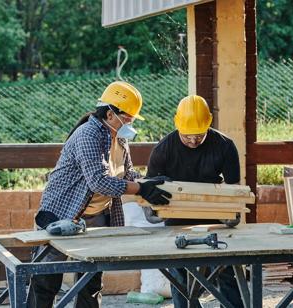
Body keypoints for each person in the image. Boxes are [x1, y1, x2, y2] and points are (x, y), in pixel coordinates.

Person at [27, 81, 171, 308]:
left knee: (91, 279)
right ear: (111, 113)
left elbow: (127, 172)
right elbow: (99, 181)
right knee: (46, 278)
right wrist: (142, 190)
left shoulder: (119, 137)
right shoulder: (88, 134)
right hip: (61, 211)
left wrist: (147, 182)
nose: (130, 123)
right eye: (128, 117)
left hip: (97, 214)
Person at [145, 95, 243, 308]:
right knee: (180, 273)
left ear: (208, 123)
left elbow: (235, 189)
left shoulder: (224, 146)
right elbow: (149, 187)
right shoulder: (163, 149)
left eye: (198, 136)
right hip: (176, 216)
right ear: (177, 124)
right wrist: (153, 207)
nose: (193, 141)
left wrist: (231, 212)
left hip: (215, 215)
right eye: (187, 136)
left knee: (225, 268)